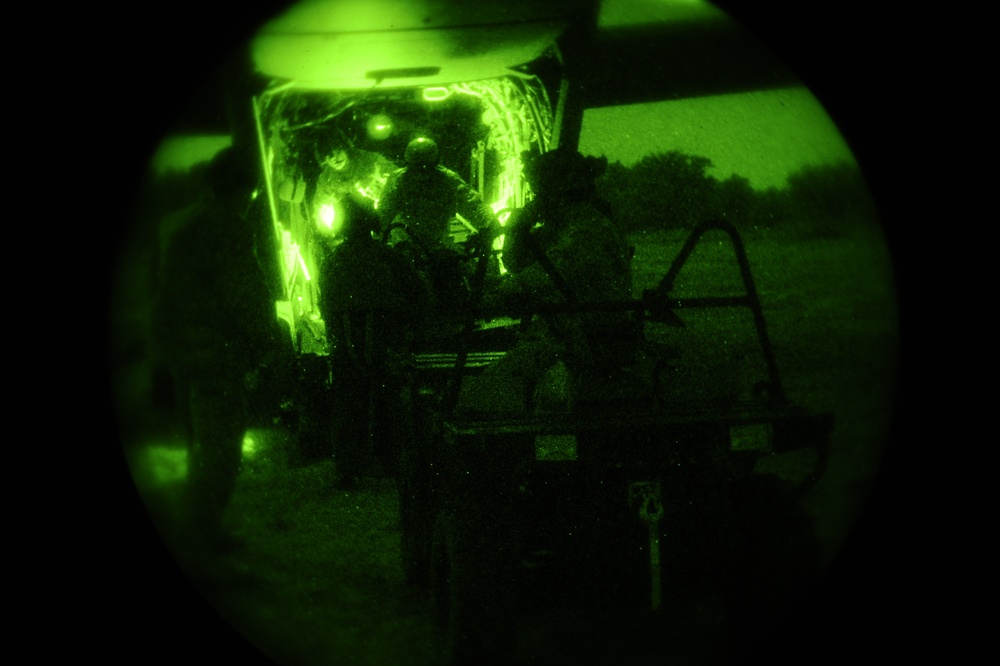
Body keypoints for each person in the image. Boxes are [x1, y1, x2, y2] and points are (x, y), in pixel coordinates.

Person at [149, 145, 280, 582]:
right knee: (220, 454)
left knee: (197, 447)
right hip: (216, 354)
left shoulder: (178, 221)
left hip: (183, 352)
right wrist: (266, 339)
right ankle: (198, 555)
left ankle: (205, 532)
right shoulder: (227, 227)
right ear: (245, 189)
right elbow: (242, 293)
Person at [458, 147, 641, 414]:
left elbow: (532, 280)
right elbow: (515, 262)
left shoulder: (585, 233)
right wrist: (521, 223)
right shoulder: (570, 227)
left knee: (472, 401)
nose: (534, 198)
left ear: (554, 193)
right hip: (568, 335)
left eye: (537, 192)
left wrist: (481, 300)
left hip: (579, 343)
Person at [317, 192, 429, 488]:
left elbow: (325, 302)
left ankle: (351, 468)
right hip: (382, 331)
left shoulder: (333, 260)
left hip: (350, 333)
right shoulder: (387, 256)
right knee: (386, 397)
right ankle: (390, 464)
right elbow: (419, 293)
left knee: (351, 400)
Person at [376, 137, 499, 310]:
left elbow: (471, 203)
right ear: (408, 163)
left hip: (439, 242)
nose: (422, 174)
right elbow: (383, 213)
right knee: (410, 278)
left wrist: (490, 224)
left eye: (426, 167)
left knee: (456, 270)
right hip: (406, 242)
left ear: (435, 162)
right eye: (417, 167)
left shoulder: (447, 180)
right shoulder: (398, 181)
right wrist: (377, 238)